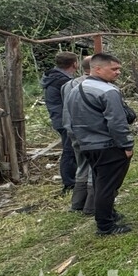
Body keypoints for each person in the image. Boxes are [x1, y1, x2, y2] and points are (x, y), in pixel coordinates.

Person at [66, 52, 135, 235]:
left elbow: (71, 119)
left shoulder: (76, 89)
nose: (118, 72)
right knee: (108, 186)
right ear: (97, 69)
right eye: (113, 69)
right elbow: (117, 123)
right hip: (108, 146)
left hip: (87, 145)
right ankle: (105, 226)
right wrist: (127, 145)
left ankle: (108, 213)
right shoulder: (108, 91)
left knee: (99, 181)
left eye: (119, 68)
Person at [41, 52, 79, 192]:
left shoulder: (55, 77)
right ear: (75, 64)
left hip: (60, 118)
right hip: (64, 119)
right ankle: (69, 183)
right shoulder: (63, 81)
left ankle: (73, 179)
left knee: (71, 149)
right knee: (69, 150)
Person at [62, 56, 94, 215]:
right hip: (88, 132)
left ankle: (77, 203)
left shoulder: (68, 84)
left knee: (82, 164)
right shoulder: (92, 85)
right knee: (95, 168)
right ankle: (91, 206)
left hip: (71, 130)